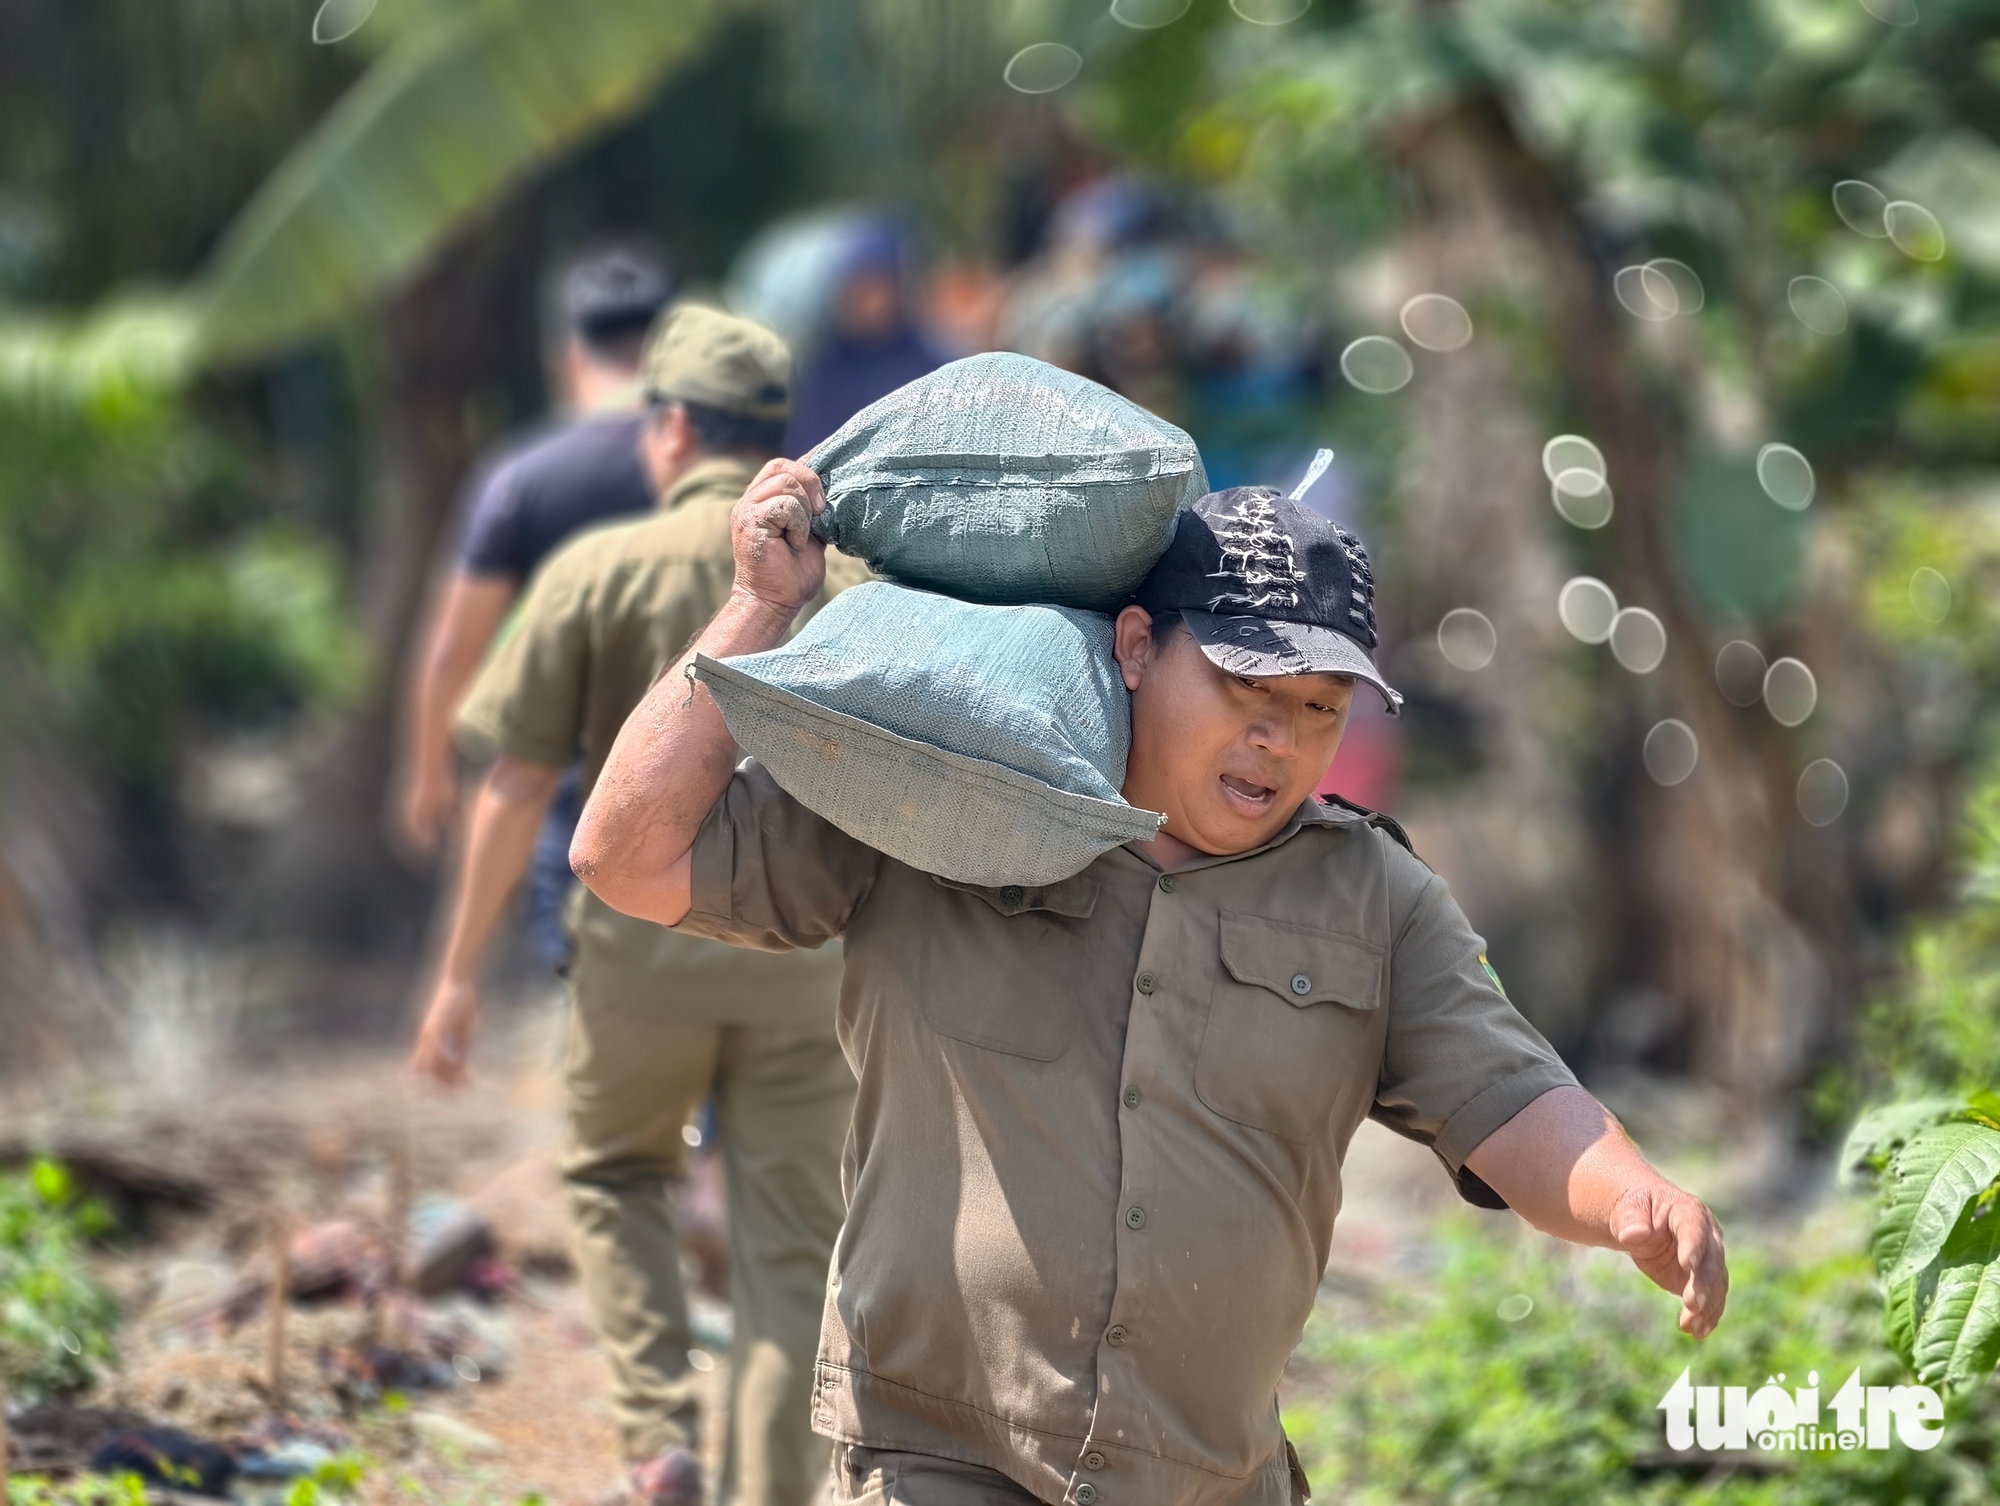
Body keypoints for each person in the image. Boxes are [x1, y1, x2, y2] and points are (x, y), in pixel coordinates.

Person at [571, 467, 1731, 1506]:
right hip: (934, 1458)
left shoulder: (1376, 900)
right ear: (1136, 647)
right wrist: (762, 610)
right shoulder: (943, 801)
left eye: (1317, 713)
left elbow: (1510, 1100)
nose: (1277, 742)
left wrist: (1631, 1194)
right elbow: (626, 855)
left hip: (1209, 1483)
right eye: (1245, 692)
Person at [412, 307, 866, 1506]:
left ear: (665, 430)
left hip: (635, 949)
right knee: (790, 1242)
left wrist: (457, 974)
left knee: (616, 1174)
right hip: (804, 955)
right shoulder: (856, 583)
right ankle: (774, 1491)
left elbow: (512, 786)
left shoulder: (591, 572)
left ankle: (657, 1438)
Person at [389, 246, 671, 964]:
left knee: (602, 1017)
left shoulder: (520, 479)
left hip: (572, 796)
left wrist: (427, 770)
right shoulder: (722, 462)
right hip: (712, 777)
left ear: (566, 357)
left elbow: (454, 644)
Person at [783, 219, 947, 458]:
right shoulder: (822, 371)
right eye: (855, 285)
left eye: (875, 284)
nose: (864, 297)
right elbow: (803, 447)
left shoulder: (934, 366)